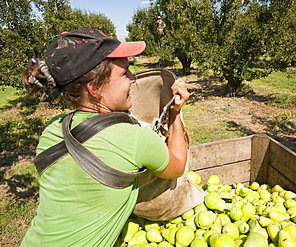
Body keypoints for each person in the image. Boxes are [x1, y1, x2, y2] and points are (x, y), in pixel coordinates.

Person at [20, 28, 189, 246]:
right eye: (124, 72)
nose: (132, 78)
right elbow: (178, 166)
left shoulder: (52, 129)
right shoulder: (133, 138)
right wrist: (174, 114)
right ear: (95, 88)